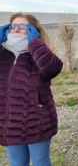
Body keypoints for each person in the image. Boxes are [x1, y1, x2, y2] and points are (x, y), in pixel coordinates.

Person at [0, 12, 63, 166]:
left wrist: (34, 43)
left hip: (37, 122)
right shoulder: (3, 53)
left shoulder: (39, 54)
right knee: (17, 163)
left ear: (32, 31)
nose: (16, 29)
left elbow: (52, 69)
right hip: (10, 123)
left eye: (22, 26)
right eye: (12, 26)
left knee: (40, 162)